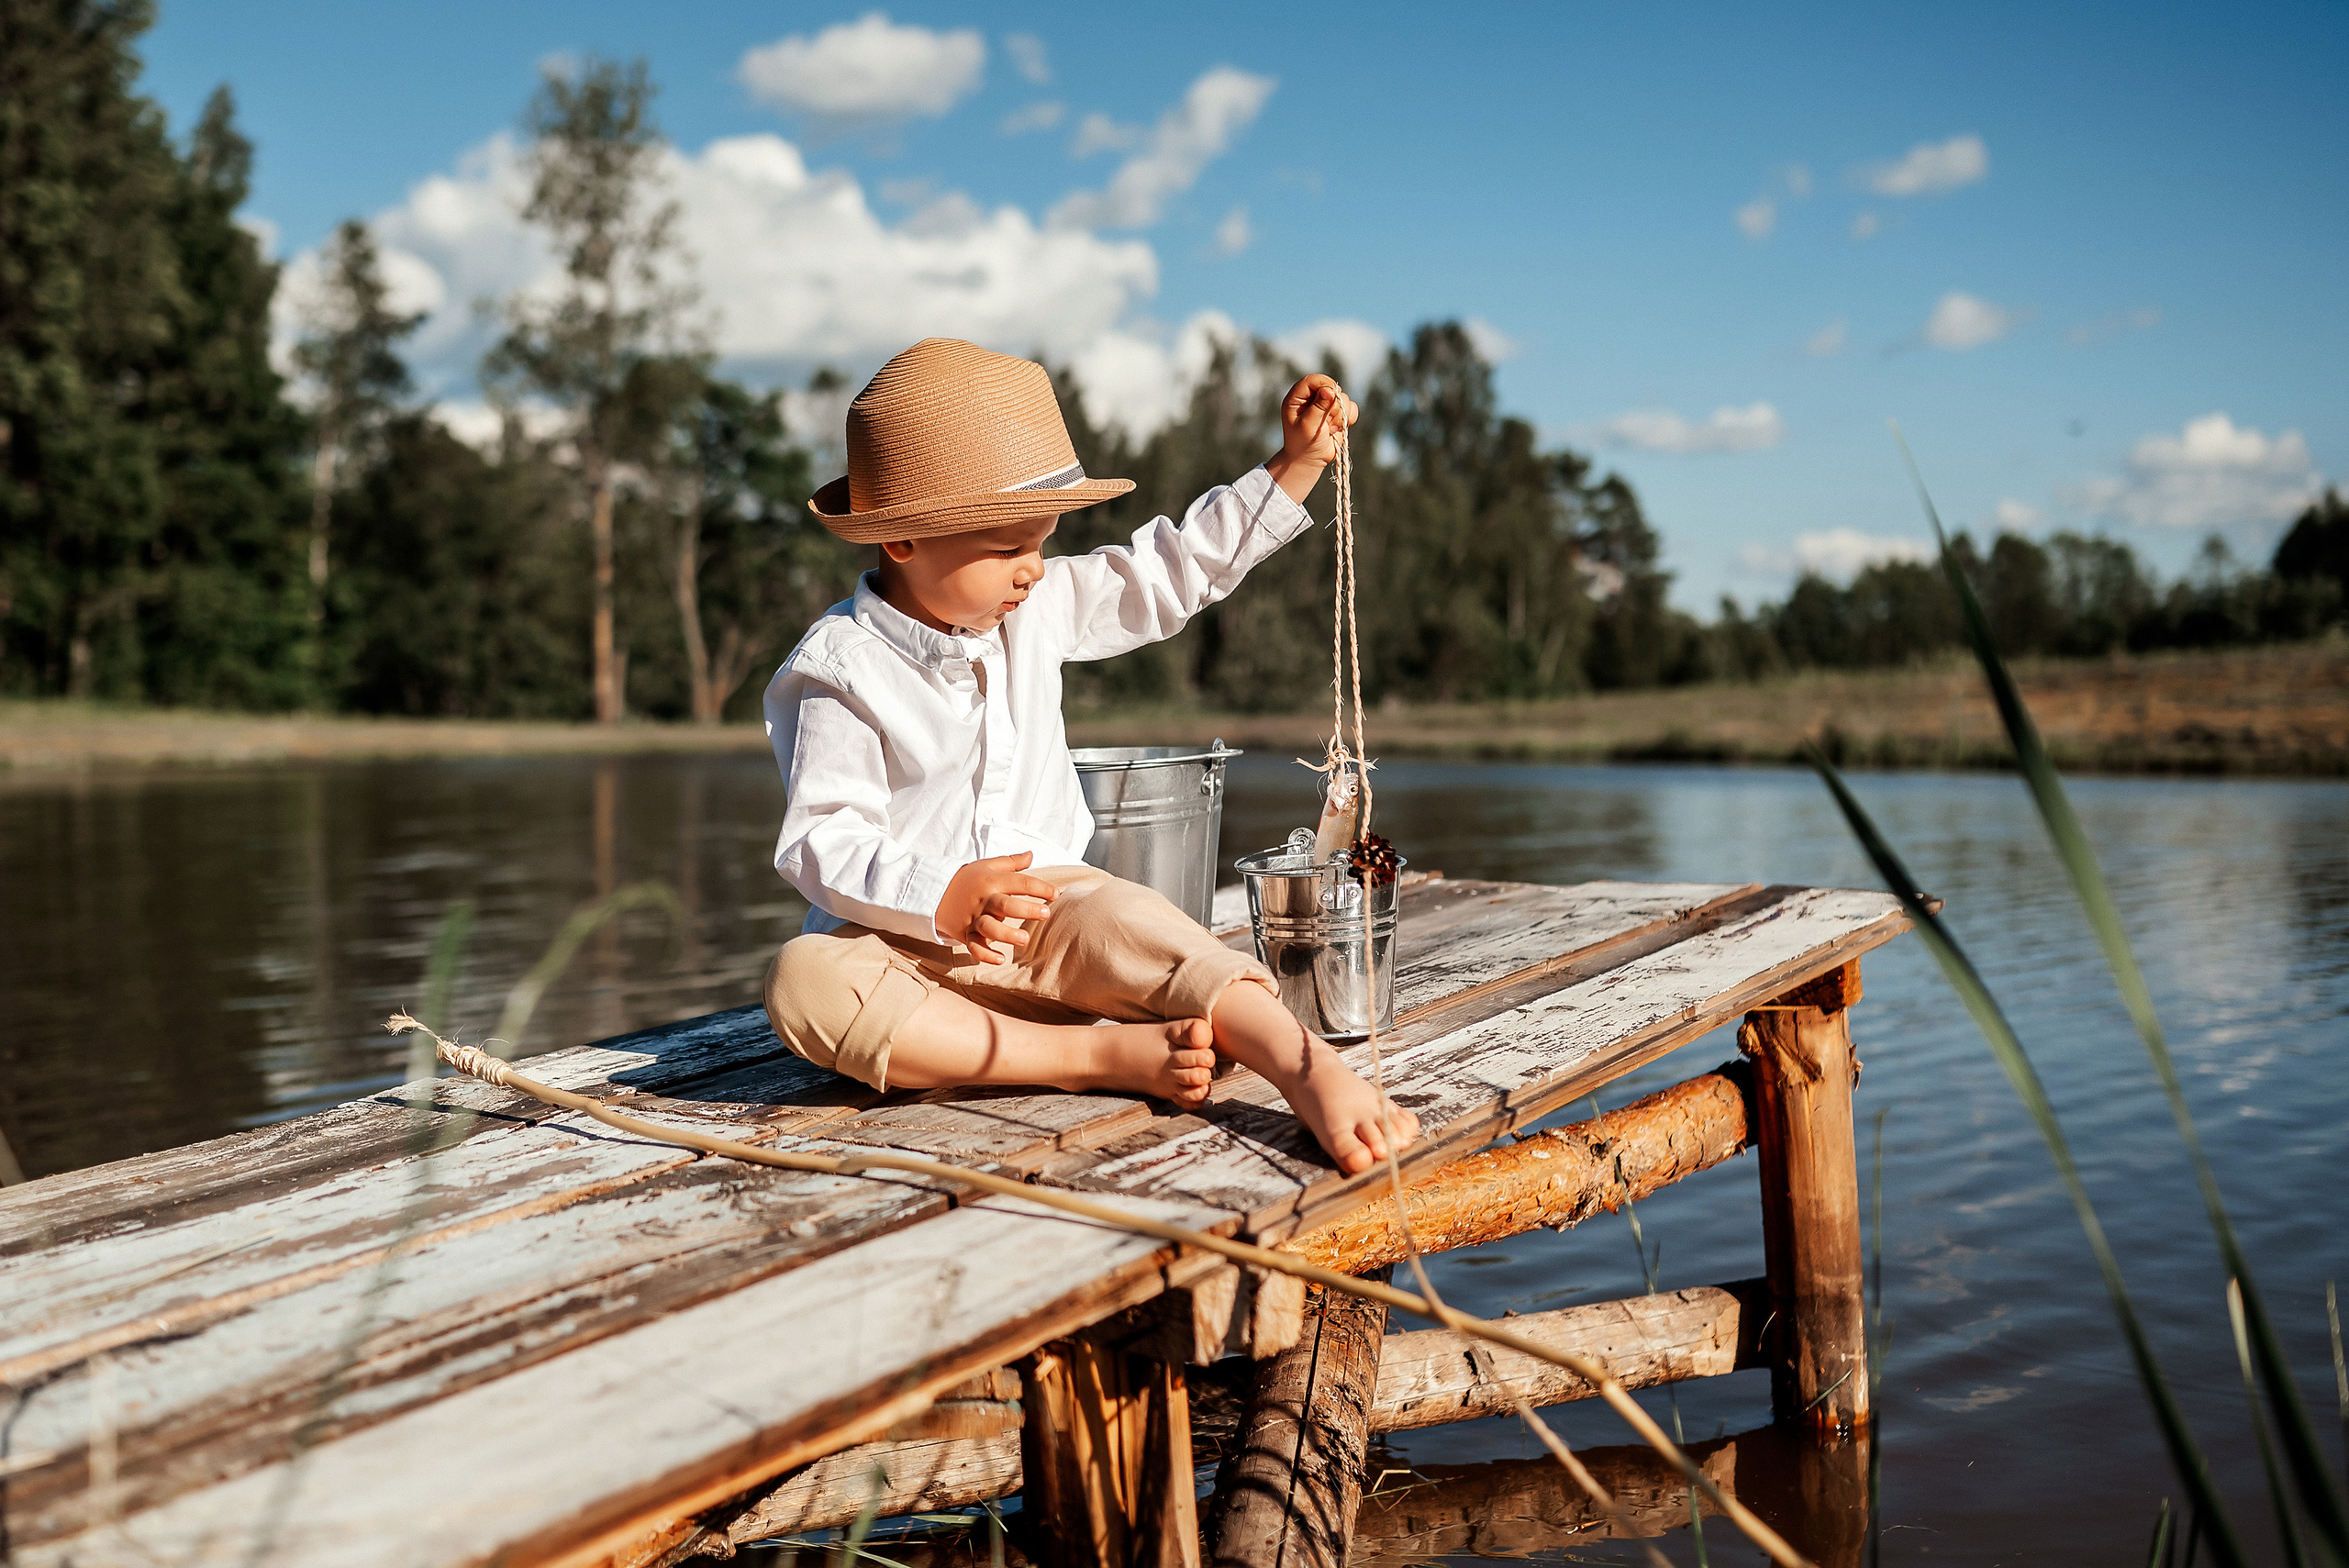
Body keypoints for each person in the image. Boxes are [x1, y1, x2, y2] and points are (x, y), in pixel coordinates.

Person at [759, 338, 1418, 1175]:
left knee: (1140, 922)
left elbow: (1171, 571)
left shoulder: (1038, 606)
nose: (1033, 570)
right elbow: (824, 838)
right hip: (901, 953)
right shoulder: (840, 665)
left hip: (1054, 924)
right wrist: (943, 897)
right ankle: (1101, 1059)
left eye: (1043, 540)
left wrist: (1291, 466)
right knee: (804, 981)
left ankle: (1307, 1068)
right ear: (901, 541)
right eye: (1008, 547)